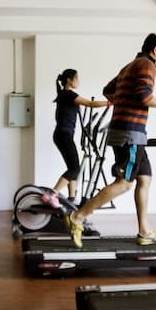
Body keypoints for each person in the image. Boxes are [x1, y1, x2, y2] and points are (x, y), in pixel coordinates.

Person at [64, 33, 156, 248]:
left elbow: (108, 90)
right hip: (130, 133)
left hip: (128, 131)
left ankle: (144, 231)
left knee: (145, 178)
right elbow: (144, 96)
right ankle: (78, 216)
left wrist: (123, 103)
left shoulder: (129, 66)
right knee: (124, 183)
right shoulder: (147, 65)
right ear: (155, 50)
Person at [44, 69, 111, 207]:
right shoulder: (68, 94)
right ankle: (52, 194)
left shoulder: (64, 95)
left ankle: (72, 198)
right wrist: (110, 103)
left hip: (62, 134)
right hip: (64, 135)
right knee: (75, 169)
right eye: (77, 78)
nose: (78, 81)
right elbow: (90, 104)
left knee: (72, 168)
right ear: (69, 80)